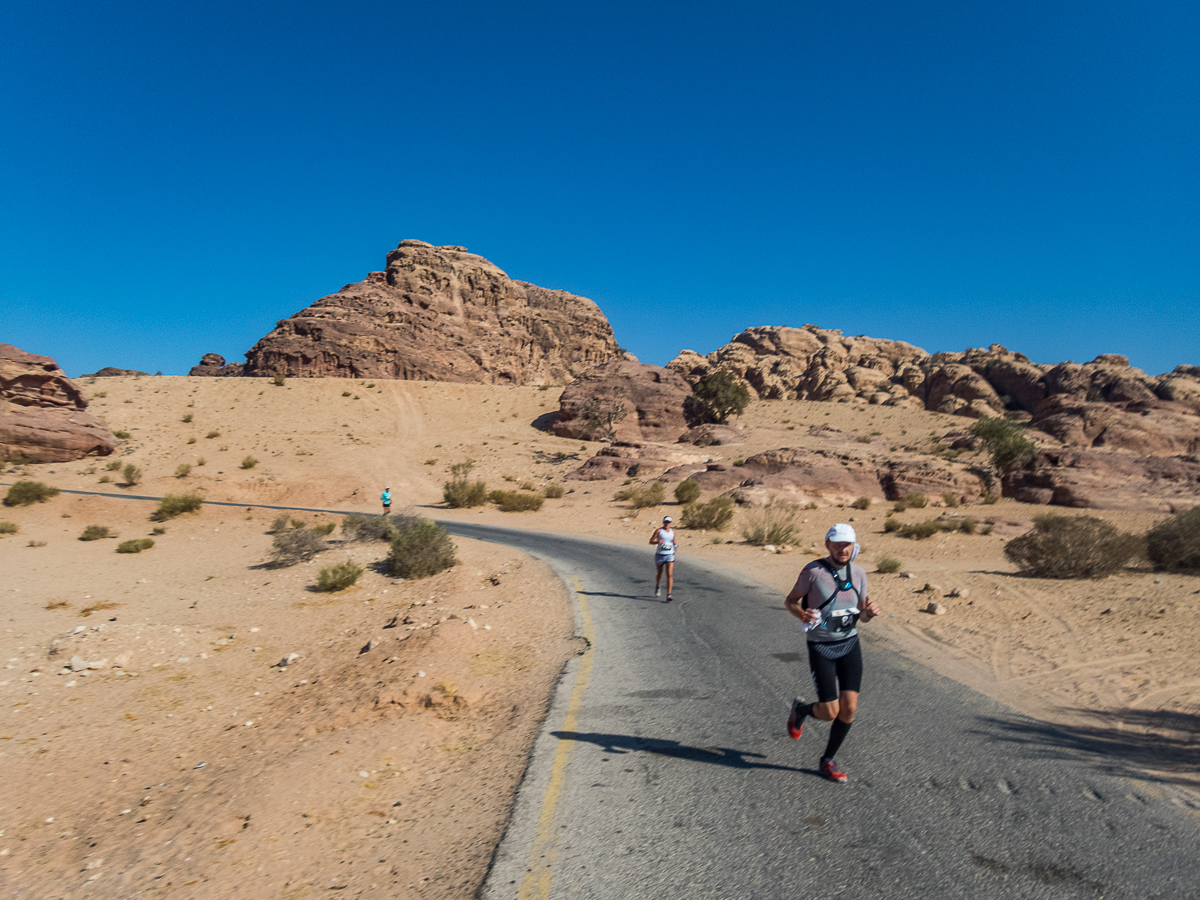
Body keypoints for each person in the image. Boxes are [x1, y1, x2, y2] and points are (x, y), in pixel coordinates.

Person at [783, 523, 882, 783]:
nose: (842, 548)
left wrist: (869, 613)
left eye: (847, 544)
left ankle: (827, 760)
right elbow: (790, 601)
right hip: (821, 646)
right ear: (827, 544)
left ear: (853, 545)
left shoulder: (859, 573)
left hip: (849, 644)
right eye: (837, 543)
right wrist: (801, 613)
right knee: (829, 712)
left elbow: (862, 614)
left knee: (848, 709)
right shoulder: (813, 571)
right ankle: (802, 710)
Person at [649, 515, 677, 602]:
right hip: (660, 555)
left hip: (670, 555)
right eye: (666, 522)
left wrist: (675, 545)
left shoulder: (672, 532)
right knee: (660, 574)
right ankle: (657, 586)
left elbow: (673, 541)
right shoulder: (659, 531)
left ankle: (669, 594)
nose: (667, 523)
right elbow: (651, 541)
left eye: (668, 522)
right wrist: (658, 541)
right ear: (663, 522)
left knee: (669, 574)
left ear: (670, 523)